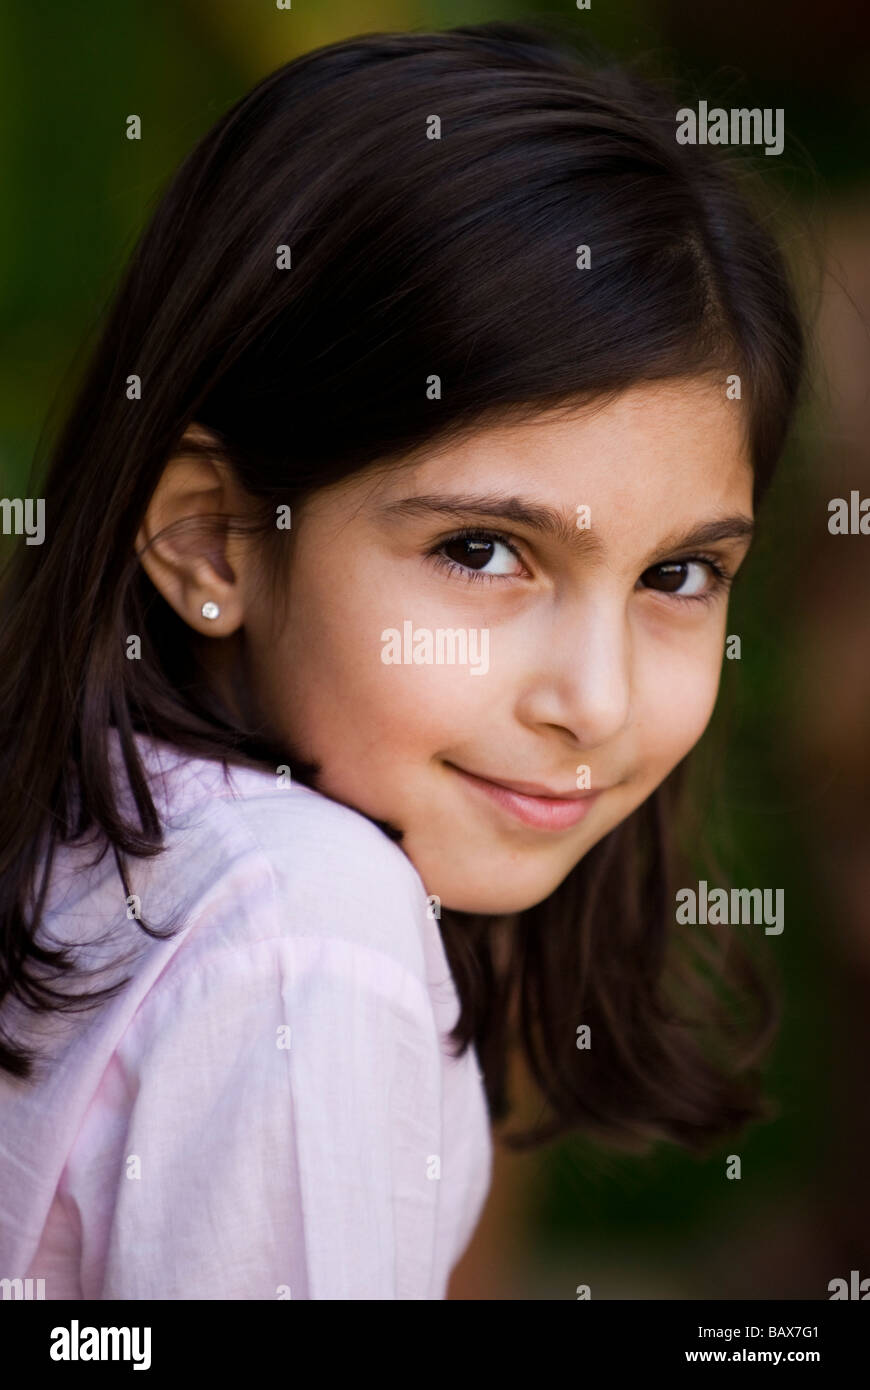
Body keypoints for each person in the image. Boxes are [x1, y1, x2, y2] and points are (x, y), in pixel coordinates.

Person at [0, 21, 806, 1299]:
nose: (593, 700)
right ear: (212, 539)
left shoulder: (109, 834)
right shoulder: (310, 930)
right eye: (484, 552)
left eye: (677, 575)